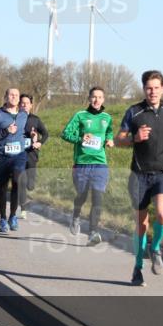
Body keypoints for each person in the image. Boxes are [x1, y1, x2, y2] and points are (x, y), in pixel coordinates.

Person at [115, 70, 163, 287]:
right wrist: (134, 138)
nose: (152, 91)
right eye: (148, 88)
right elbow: (119, 139)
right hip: (139, 175)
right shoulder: (134, 112)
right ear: (144, 89)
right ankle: (138, 267)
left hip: (162, 173)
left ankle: (155, 249)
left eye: (156, 87)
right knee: (141, 225)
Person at [60, 87, 114, 246]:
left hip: (100, 164)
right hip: (82, 163)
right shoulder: (80, 115)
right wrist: (81, 137)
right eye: (94, 97)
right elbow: (65, 134)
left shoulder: (107, 118)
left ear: (103, 99)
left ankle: (92, 232)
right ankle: (76, 215)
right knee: (82, 196)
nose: (97, 100)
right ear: (89, 98)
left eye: (100, 97)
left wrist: (109, 140)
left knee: (98, 198)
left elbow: (109, 133)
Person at [0, 88, 28, 233]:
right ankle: (3, 218)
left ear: (19, 99)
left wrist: (34, 138)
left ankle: (13, 216)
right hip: (2, 156)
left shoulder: (23, 114)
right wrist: (5, 131)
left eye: (16, 95)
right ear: (5, 97)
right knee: (3, 188)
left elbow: (26, 131)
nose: (14, 97)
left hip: (19, 155)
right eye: (11, 95)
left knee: (18, 181)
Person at [18, 93, 49, 220]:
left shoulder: (35, 119)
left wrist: (39, 142)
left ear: (31, 105)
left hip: (31, 154)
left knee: (30, 184)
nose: (24, 105)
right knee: (21, 182)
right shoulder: (14, 118)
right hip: (18, 154)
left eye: (27, 103)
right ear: (19, 105)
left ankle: (29, 190)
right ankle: (23, 209)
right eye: (22, 103)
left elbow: (46, 134)